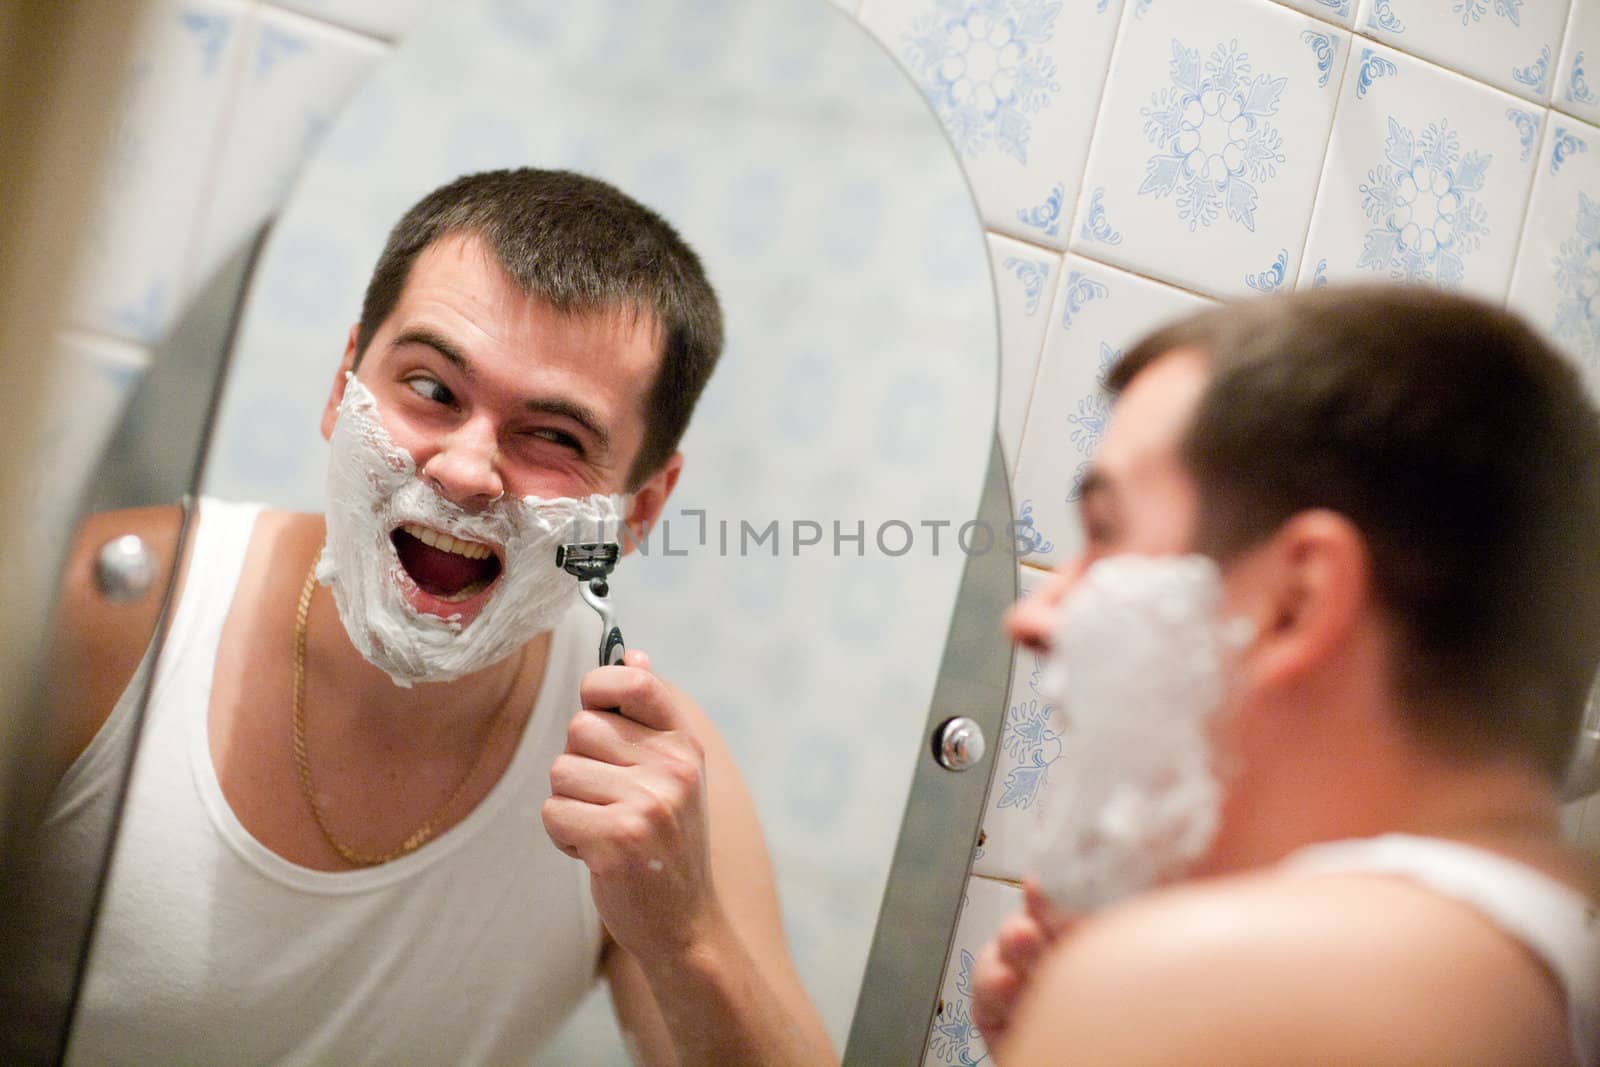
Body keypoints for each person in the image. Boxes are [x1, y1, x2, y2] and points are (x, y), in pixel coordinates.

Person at [40, 168, 834, 1065]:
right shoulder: (105, 614)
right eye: (432, 387)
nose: (464, 469)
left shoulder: (647, 778)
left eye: (556, 437)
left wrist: (687, 939)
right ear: (344, 385)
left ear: (639, 510)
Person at [973, 285, 1600, 1066]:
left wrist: (1121, 1006)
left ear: (1296, 601)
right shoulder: (1552, 965)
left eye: (1106, 531)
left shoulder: (1212, 988)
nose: (1033, 616)